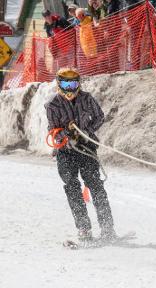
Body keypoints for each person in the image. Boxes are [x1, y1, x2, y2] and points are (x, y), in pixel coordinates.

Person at [45, 68, 116, 241]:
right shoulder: (52, 104)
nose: (70, 89)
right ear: (59, 83)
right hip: (66, 152)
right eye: (66, 84)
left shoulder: (87, 98)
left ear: (79, 83)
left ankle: (107, 228)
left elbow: (99, 116)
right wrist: (66, 135)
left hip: (86, 148)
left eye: (73, 84)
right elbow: (52, 129)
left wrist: (85, 132)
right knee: (72, 188)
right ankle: (84, 229)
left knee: (96, 186)